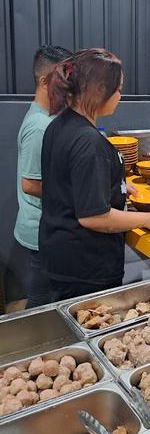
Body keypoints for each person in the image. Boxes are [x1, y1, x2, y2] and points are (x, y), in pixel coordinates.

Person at [39, 48, 150, 302]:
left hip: (61, 256)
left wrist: (116, 187)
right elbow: (93, 217)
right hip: (84, 266)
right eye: (118, 89)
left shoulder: (59, 125)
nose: (120, 96)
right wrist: (147, 220)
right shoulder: (88, 141)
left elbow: (69, 184)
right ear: (98, 90)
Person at [13, 45, 72, 309]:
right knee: (41, 303)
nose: (70, 85)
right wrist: (79, 191)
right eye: (64, 77)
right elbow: (30, 184)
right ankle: (37, 349)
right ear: (44, 80)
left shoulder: (49, 117)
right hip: (40, 233)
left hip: (45, 230)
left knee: (46, 299)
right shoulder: (39, 127)